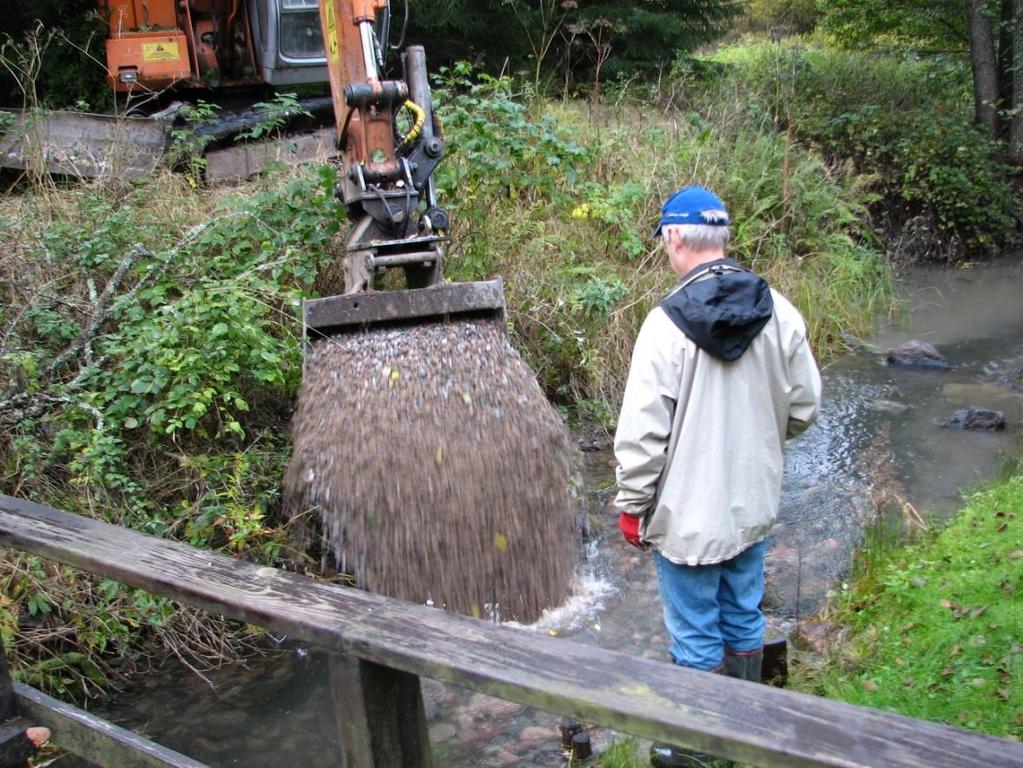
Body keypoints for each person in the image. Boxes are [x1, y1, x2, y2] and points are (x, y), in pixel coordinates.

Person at [612, 185, 822, 767]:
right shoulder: (779, 310)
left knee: (696, 633)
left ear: (675, 237)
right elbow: (804, 407)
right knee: (744, 613)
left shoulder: (663, 326)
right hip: (752, 505)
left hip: (685, 520)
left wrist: (632, 505)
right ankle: (748, 727)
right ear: (723, 236)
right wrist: (755, 444)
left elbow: (642, 437)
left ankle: (702, 752)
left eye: (665, 240)